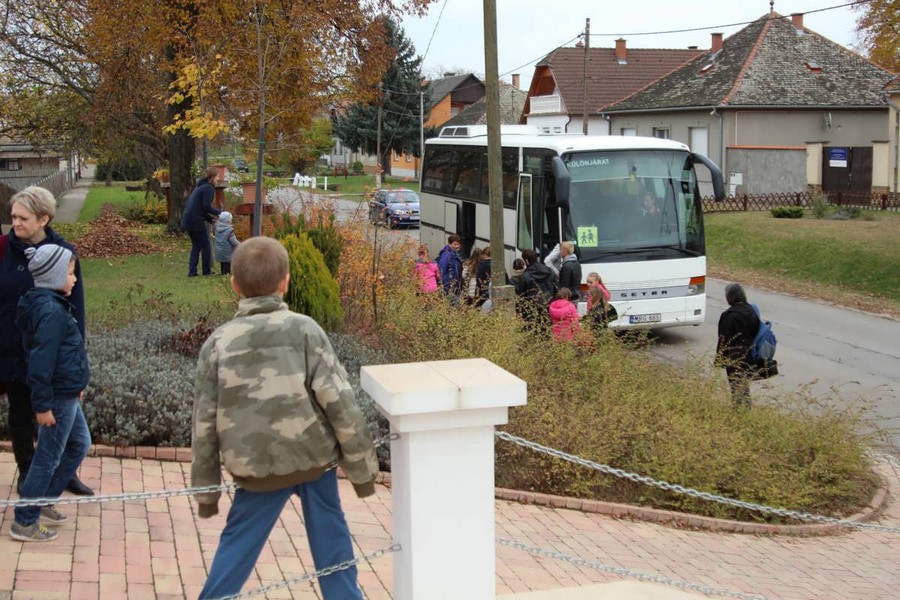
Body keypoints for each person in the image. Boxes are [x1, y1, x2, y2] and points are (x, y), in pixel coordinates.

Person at [191, 236, 378, 599]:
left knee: (237, 546)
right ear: (285, 282)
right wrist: (363, 473)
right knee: (333, 542)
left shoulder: (219, 343)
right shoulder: (306, 330)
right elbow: (340, 403)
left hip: (255, 466)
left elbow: (204, 423)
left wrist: (207, 493)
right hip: (314, 459)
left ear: (234, 285)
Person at [0, 186, 93, 497]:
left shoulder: (64, 253)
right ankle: (27, 470)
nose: (15, 223)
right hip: (11, 346)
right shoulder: (2, 248)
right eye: (13, 216)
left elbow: (76, 307)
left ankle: (64, 472)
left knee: (62, 415)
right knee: (21, 412)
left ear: (43, 219)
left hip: (52, 349)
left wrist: (77, 355)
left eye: (23, 218)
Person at [11, 244, 91, 542]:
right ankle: (25, 520)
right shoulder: (51, 313)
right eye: (70, 273)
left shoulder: (52, 305)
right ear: (55, 276)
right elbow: (40, 363)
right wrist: (43, 406)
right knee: (47, 457)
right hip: (57, 397)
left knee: (79, 444)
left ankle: (43, 499)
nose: (74, 279)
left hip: (67, 392)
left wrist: (76, 385)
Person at [716, 283, 760, 407]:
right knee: (743, 384)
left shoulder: (729, 315)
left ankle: (740, 410)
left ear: (730, 297)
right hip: (750, 354)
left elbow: (723, 339)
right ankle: (745, 408)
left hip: (734, 356)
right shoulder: (752, 310)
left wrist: (719, 359)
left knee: (736, 385)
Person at [180, 166, 221, 277]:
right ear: (212, 177)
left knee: (196, 246)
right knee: (206, 246)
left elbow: (200, 208)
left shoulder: (199, 187)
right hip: (196, 221)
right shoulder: (208, 188)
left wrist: (210, 219)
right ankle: (206, 271)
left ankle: (192, 272)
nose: (218, 179)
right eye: (217, 177)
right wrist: (220, 212)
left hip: (188, 219)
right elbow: (206, 206)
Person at [514, 249, 558, 331]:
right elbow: (557, 288)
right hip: (549, 308)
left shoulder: (524, 276)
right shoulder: (549, 271)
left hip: (532, 311)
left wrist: (519, 313)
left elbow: (520, 296)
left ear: (526, 261)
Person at [436, 234, 463, 302]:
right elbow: (442, 270)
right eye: (455, 244)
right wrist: (445, 285)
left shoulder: (455, 254)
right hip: (449, 286)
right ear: (449, 244)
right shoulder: (446, 255)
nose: (457, 246)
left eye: (458, 244)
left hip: (455, 285)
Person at [213, 211, 239, 275]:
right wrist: (241, 245)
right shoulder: (229, 231)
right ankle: (226, 274)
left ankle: (223, 272)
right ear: (228, 221)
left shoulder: (216, 227)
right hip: (227, 253)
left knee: (223, 263)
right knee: (227, 265)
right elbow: (234, 242)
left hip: (219, 251)